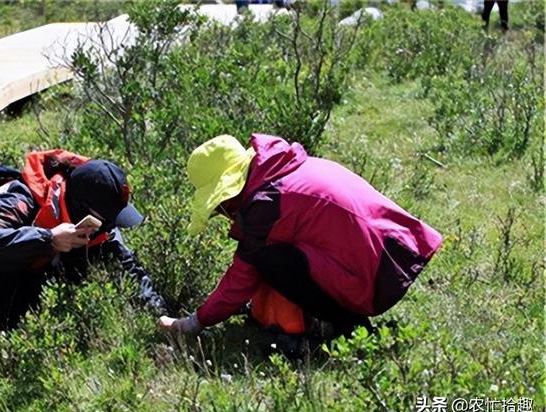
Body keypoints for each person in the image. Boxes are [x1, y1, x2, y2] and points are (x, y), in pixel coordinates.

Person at [159, 134, 443, 340]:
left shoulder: (265, 203)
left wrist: (196, 321)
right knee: (272, 254)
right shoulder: (280, 170)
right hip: (400, 252)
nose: (224, 213)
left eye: (220, 206)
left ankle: (352, 328)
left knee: (269, 260)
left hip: (377, 275)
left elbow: (242, 276)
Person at [0, 150, 166, 364]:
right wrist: (48, 238)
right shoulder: (21, 197)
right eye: (104, 221)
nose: (107, 227)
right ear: (80, 207)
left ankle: (16, 323)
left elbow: (127, 264)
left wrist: (160, 315)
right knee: (21, 249)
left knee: (89, 250)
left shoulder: (97, 219)